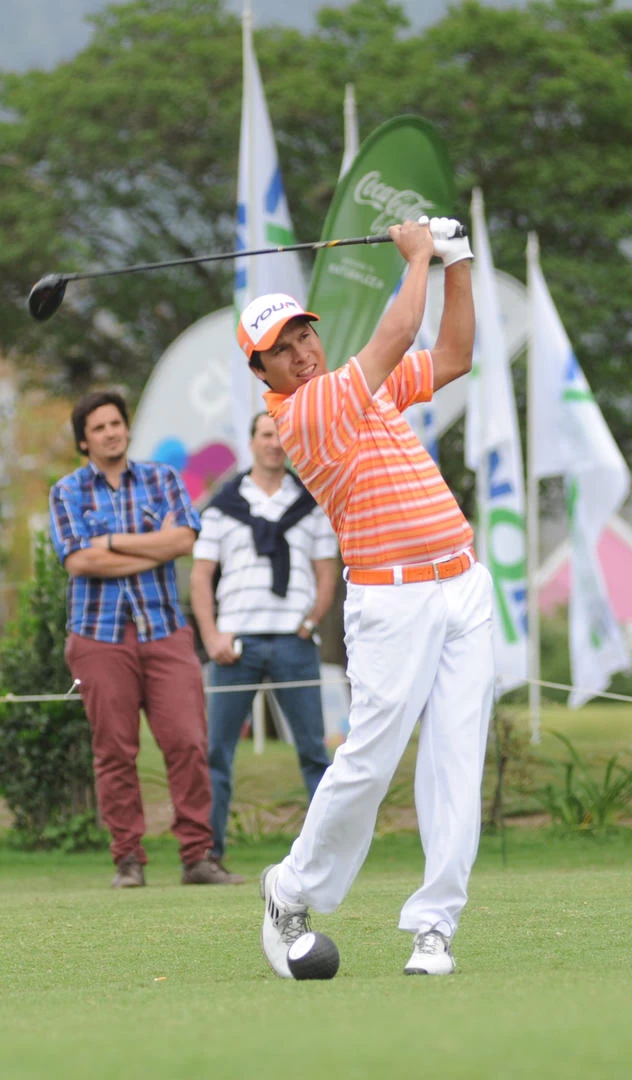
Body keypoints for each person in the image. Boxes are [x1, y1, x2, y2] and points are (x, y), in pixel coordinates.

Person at [236, 215, 495, 977]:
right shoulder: (304, 414)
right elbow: (393, 333)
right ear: (264, 375)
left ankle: (434, 926)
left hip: (461, 585)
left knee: (455, 762)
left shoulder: (367, 392)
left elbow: (450, 355)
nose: (299, 354)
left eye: (303, 337)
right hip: (390, 604)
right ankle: (291, 886)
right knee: (370, 763)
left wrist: (458, 261)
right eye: (280, 351)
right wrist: (415, 256)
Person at [49, 390, 229, 888]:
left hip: (165, 629)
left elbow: (184, 539)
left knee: (189, 741)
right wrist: (154, 550)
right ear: (84, 441)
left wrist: (109, 542)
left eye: (116, 423)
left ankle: (198, 857)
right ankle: (128, 860)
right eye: (100, 427)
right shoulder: (66, 492)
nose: (111, 432)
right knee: (114, 751)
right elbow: (78, 560)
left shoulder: (163, 479)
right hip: (98, 636)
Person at [190, 410, 338, 873]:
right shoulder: (221, 504)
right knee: (217, 752)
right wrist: (210, 634)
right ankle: (209, 854)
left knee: (314, 750)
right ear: (251, 441)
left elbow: (326, 569)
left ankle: (327, 855)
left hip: (294, 642)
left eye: (280, 435)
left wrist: (312, 620)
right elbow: (201, 575)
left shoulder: (310, 502)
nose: (274, 443)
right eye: (265, 434)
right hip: (235, 645)